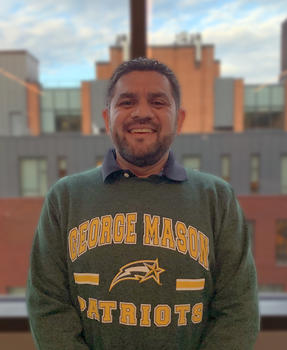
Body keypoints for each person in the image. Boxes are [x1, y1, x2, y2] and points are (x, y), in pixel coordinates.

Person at [27, 57, 259, 349]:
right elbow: (48, 308)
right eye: (126, 102)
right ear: (106, 117)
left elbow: (237, 312)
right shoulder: (65, 198)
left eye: (158, 102)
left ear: (180, 118)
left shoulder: (217, 198)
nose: (142, 112)